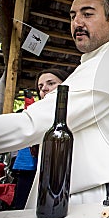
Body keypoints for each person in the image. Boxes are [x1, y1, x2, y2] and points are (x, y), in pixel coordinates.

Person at [0, 0, 109, 208]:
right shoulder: (92, 66)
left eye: (87, 14)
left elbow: (36, 123)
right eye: (72, 16)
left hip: (103, 197)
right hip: (78, 193)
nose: (77, 22)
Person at [11, 68, 69, 210]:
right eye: (40, 86)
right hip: (27, 167)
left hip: (55, 173)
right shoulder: (33, 111)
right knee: (22, 204)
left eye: (51, 83)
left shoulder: (72, 114)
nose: (44, 89)